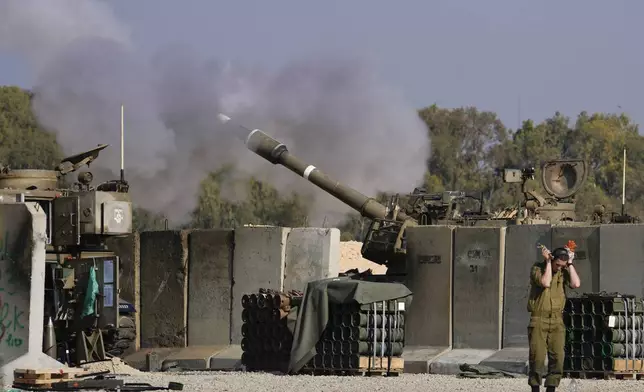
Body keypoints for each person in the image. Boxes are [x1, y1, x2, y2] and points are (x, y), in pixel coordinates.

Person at [527, 245, 581, 392]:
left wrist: (569, 263)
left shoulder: (563, 271)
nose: (559, 268)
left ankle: (551, 388)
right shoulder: (537, 268)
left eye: (561, 265)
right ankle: (535, 388)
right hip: (539, 319)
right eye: (557, 264)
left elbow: (576, 283)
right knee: (537, 357)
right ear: (552, 260)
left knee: (558, 357)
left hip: (557, 320)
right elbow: (545, 282)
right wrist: (548, 263)